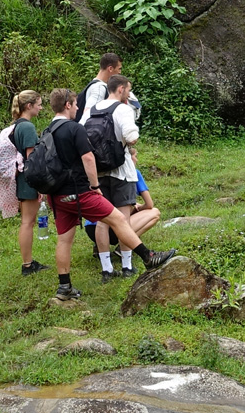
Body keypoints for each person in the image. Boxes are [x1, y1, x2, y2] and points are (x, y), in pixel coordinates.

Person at [40, 87, 161, 300]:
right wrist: (95, 187)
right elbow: (88, 158)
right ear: (67, 105)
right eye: (76, 104)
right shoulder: (74, 128)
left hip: (57, 196)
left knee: (64, 240)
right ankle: (148, 256)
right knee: (118, 219)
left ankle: (64, 287)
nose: (78, 108)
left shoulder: (47, 130)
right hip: (79, 192)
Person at [87, 75, 162, 280]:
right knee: (123, 218)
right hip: (121, 171)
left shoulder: (92, 109)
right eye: (128, 90)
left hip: (99, 171)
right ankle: (128, 266)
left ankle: (107, 270)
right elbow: (131, 136)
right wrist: (131, 138)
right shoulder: (122, 109)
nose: (129, 94)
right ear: (120, 89)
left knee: (103, 221)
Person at [0, 90, 48, 276]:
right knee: (28, 222)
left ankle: (27, 263)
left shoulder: (15, 126)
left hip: (20, 180)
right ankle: (28, 265)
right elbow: (31, 160)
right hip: (28, 181)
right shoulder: (28, 128)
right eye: (38, 103)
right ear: (28, 106)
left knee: (25, 222)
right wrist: (40, 186)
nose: (41, 107)